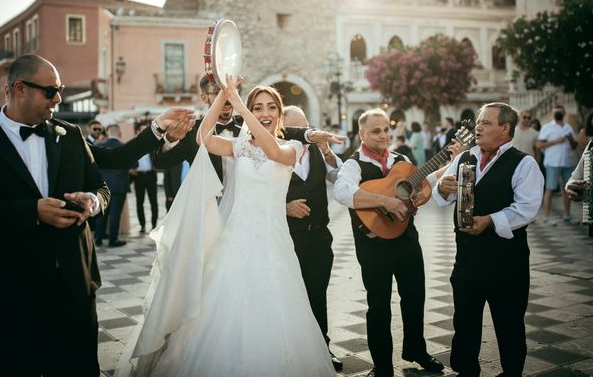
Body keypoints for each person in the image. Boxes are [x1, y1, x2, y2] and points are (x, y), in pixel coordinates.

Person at [119, 77, 336, 376]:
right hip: (234, 239)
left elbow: (272, 152)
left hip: (273, 244)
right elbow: (203, 137)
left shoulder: (293, 147)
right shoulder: (239, 148)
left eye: (271, 107)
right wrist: (223, 95)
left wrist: (243, 107)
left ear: (281, 113)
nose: (264, 112)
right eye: (258, 107)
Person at [0, 54, 111, 376]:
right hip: (3, 299)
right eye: (50, 91)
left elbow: (101, 187)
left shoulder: (70, 135)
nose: (59, 99)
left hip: (71, 294)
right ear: (19, 89)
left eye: (60, 90)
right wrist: (31, 212)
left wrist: (93, 201)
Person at [434, 102, 543, 376]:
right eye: (478, 122)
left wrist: (490, 221)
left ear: (505, 129)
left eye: (485, 123)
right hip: (467, 259)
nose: (477, 127)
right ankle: (466, 370)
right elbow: (440, 196)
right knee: (465, 322)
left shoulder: (523, 163)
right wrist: (443, 187)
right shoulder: (464, 158)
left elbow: (526, 208)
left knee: (509, 325)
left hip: (506, 261)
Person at [333, 108, 444, 377]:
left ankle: (416, 350)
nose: (384, 135)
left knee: (415, 297)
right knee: (379, 305)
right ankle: (382, 365)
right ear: (361, 134)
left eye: (386, 129)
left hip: (407, 239)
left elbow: (423, 186)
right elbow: (342, 192)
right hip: (373, 245)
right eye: (376, 131)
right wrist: (385, 201)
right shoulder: (353, 165)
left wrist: (422, 191)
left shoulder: (402, 160)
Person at [153, 75, 345, 179]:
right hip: (210, 210)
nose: (227, 100)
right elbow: (161, 163)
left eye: (271, 107)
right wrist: (170, 140)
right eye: (219, 94)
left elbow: (285, 132)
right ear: (205, 98)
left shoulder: (248, 127)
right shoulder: (192, 131)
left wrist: (310, 133)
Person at [284, 106, 343, 371]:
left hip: (320, 237)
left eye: (306, 128)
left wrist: (327, 149)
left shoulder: (319, 151)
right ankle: (288, 350)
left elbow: (339, 178)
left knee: (317, 295)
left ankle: (322, 348)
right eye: (297, 130)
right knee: (289, 297)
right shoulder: (273, 154)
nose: (303, 135)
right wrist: (283, 206)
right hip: (287, 239)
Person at [536, 105, 577, 224]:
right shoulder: (547, 127)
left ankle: (567, 216)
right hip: (552, 163)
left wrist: (571, 140)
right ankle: (547, 217)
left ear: (564, 113)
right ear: (554, 113)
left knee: (567, 190)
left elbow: (574, 146)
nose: (558, 113)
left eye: (560, 111)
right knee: (549, 189)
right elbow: (539, 145)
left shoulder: (568, 127)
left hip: (567, 162)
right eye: (556, 111)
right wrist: (555, 141)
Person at [95, 124, 130, 248]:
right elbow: (134, 164)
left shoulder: (99, 145)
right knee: (115, 214)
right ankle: (112, 240)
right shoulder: (124, 146)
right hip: (119, 184)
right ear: (119, 132)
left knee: (102, 213)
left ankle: (98, 239)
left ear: (108, 133)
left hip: (103, 184)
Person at [130, 124, 159, 233]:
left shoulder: (153, 144)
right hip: (139, 176)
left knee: (153, 201)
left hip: (151, 175)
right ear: (137, 132)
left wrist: (157, 166)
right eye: (142, 130)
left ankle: (154, 225)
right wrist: (129, 169)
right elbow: (127, 159)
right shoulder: (133, 145)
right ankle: (142, 225)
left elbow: (158, 158)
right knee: (139, 202)